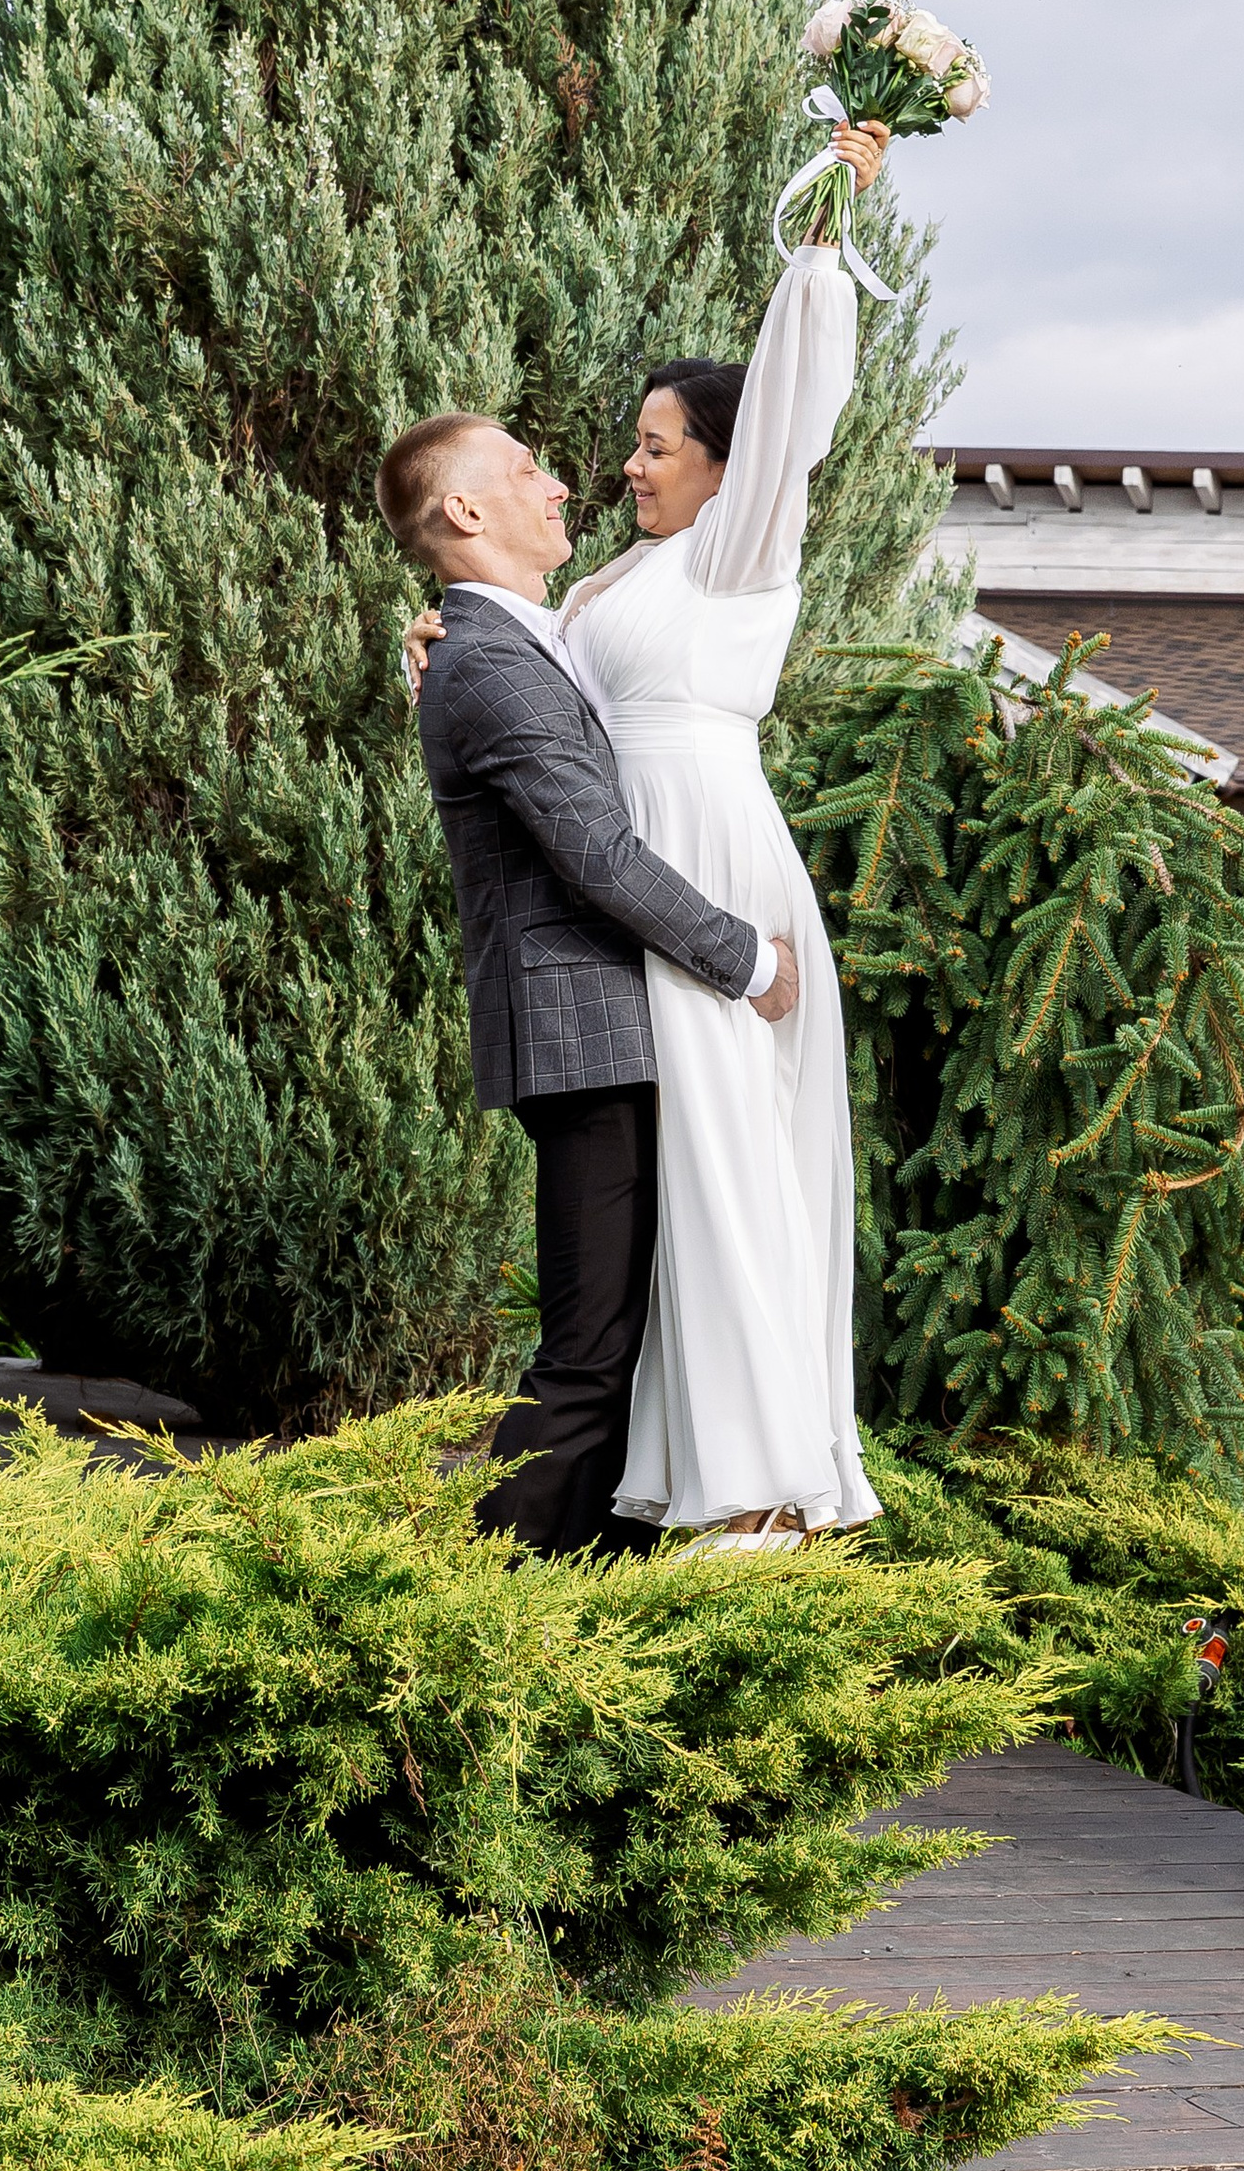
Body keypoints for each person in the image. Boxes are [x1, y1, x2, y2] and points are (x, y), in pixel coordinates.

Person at [402, 118, 892, 1546]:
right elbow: (530, 678)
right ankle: (668, 1496)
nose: (624, 465)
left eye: (656, 444)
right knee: (676, 1210)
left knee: (737, 1181)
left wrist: (823, 242)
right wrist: (435, 646)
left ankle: (759, 1492)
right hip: (642, 894)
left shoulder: (742, 546)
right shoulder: (611, 580)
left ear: (730, 467)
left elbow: (793, 410)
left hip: (707, 867)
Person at [373, 409, 799, 1558]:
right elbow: (598, 857)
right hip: (586, 1039)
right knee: (590, 1352)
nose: (560, 484)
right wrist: (750, 961)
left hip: (617, 1029)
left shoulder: (515, 640)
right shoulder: (486, 664)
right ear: (466, 509)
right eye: (526, 470)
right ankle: (474, 1595)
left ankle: (593, 1592)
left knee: (626, 1342)